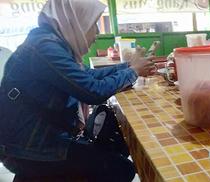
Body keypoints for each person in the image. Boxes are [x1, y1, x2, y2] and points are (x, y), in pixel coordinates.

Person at [0, 0, 153, 181]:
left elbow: (89, 75)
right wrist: (133, 71)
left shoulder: (50, 42)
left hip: (35, 139)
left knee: (113, 150)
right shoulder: (45, 48)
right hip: (30, 149)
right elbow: (92, 91)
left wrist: (128, 66)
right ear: (75, 20)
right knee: (121, 168)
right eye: (93, 24)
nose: (96, 33)